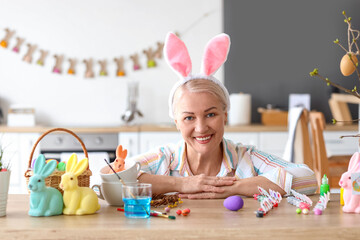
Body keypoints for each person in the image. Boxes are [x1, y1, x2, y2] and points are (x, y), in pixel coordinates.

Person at [129, 32, 317, 199]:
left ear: (225, 115)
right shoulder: (164, 159)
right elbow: (109, 177)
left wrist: (233, 188)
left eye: (210, 114)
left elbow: (308, 178)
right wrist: (182, 184)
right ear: (176, 121)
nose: (201, 128)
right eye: (189, 117)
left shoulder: (246, 158)